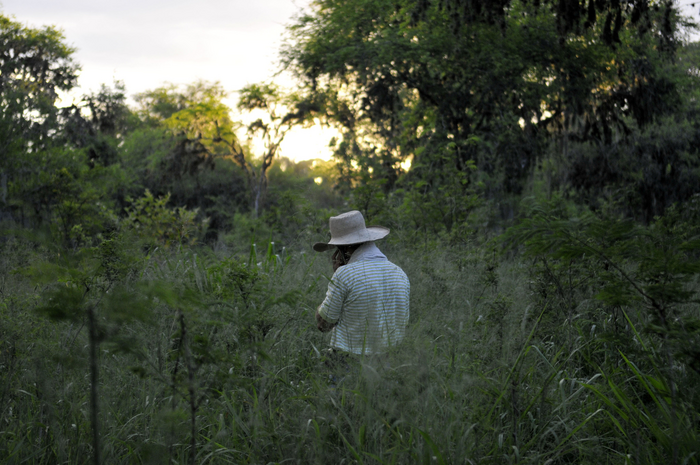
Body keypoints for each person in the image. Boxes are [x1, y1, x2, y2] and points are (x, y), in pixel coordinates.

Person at [313, 210, 410, 356]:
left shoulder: (344, 275)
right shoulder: (400, 273)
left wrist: (337, 275)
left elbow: (324, 324)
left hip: (350, 364)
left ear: (344, 249)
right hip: (391, 365)